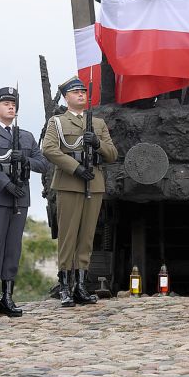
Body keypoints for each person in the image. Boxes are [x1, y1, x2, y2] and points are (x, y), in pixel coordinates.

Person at [41, 76, 118, 307]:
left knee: (86, 237)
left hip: (93, 183)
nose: (81, 95)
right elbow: (49, 149)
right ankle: (65, 286)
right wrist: (76, 168)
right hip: (69, 182)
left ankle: (81, 285)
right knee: (68, 237)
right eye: (76, 92)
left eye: (83, 92)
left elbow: (112, 154)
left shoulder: (98, 124)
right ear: (66, 97)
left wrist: (97, 143)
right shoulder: (57, 122)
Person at [0, 87, 49, 319]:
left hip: (20, 196)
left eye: (14, 103)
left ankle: (8, 295)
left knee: (13, 247)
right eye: (6, 103)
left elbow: (43, 163)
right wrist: (5, 184)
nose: (11, 106)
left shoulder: (25, 136)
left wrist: (24, 158)